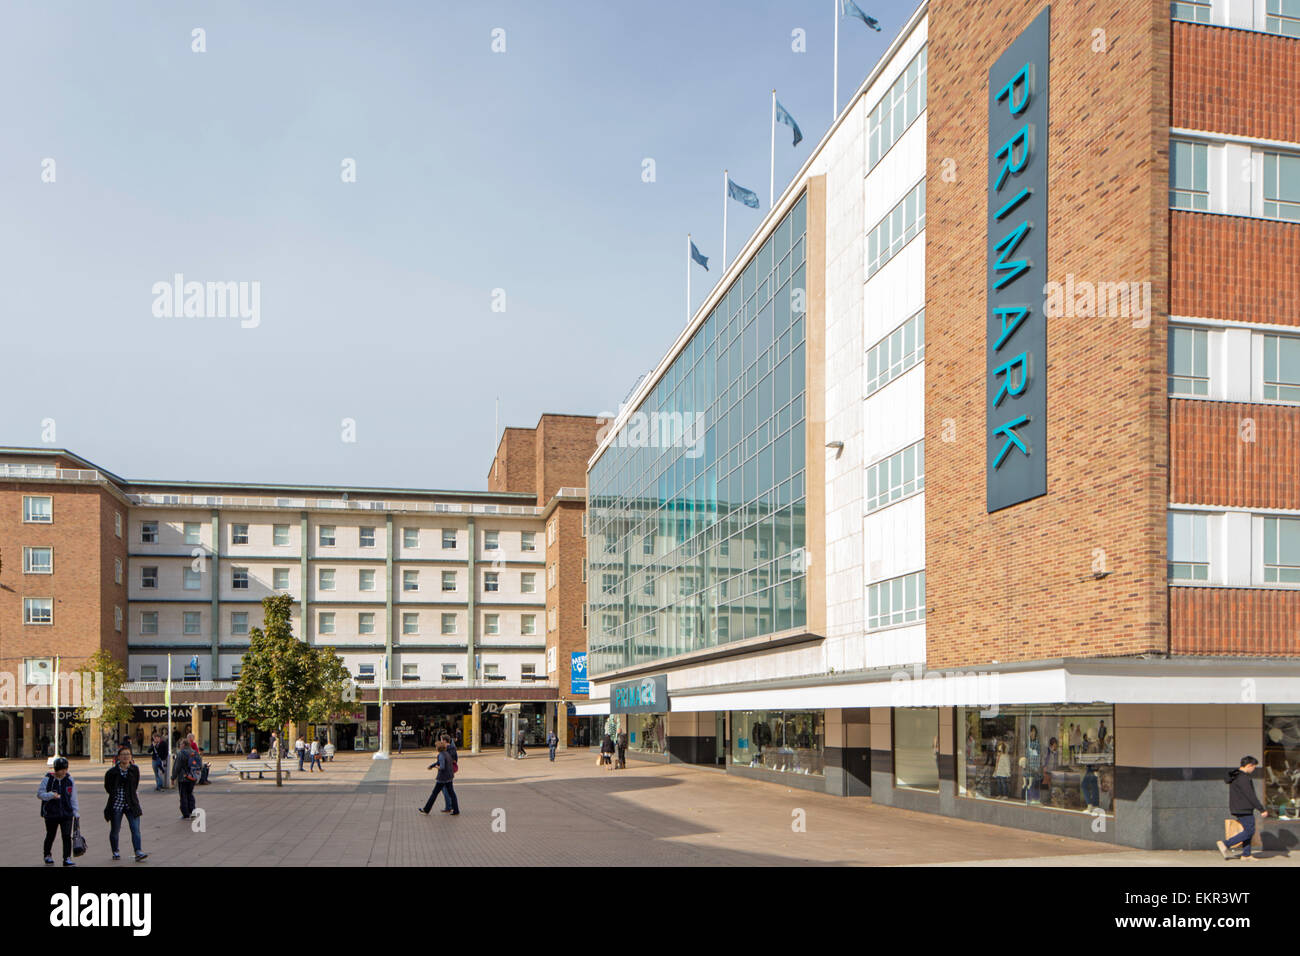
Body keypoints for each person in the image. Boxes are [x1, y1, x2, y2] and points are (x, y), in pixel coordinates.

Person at [1219, 755, 1269, 860]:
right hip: (1244, 808)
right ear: (1249, 765)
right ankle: (1225, 844)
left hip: (1239, 807)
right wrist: (1261, 809)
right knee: (1250, 831)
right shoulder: (1243, 778)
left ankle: (1246, 854)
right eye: (1254, 767)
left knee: (1247, 831)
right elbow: (1250, 795)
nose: (1254, 769)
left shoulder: (1236, 775)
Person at [104, 746, 148, 862]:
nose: (126, 756)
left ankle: (138, 851)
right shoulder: (111, 772)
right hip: (116, 804)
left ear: (131, 757)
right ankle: (115, 851)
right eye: (123, 754)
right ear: (118, 757)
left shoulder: (134, 769)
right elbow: (108, 788)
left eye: (128, 754)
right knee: (115, 829)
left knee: (135, 829)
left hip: (131, 804)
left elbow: (135, 785)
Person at [38, 756, 80, 866]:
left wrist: (76, 812)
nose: (64, 771)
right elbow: (40, 794)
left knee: (66, 836)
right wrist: (51, 795)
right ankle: (47, 855)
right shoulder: (48, 779)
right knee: (50, 835)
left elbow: (73, 797)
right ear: (56, 769)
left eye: (66, 769)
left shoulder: (69, 779)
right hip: (51, 813)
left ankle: (67, 858)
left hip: (66, 813)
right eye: (62, 769)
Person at [418, 740, 460, 816]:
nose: (435, 748)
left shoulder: (441, 755)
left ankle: (426, 809)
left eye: (436, 747)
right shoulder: (446, 754)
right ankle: (456, 810)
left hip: (442, 778)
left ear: (438, 748)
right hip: (449, 777)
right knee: (452, 793)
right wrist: (432, 765)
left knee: (434, 794)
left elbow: (442, 766)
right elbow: (438, 762)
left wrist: (437, 767)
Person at [172, 738, 199, 819]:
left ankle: (185, 813)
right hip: (192, 777)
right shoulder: (194, 752)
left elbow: (177, 767)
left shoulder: (181, 754)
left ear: (184, 745)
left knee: (183, 795)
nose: (180, 746)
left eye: (180, 744)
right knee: (190, 794)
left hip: (183, 778)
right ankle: (192, 810)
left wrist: (173, 777)